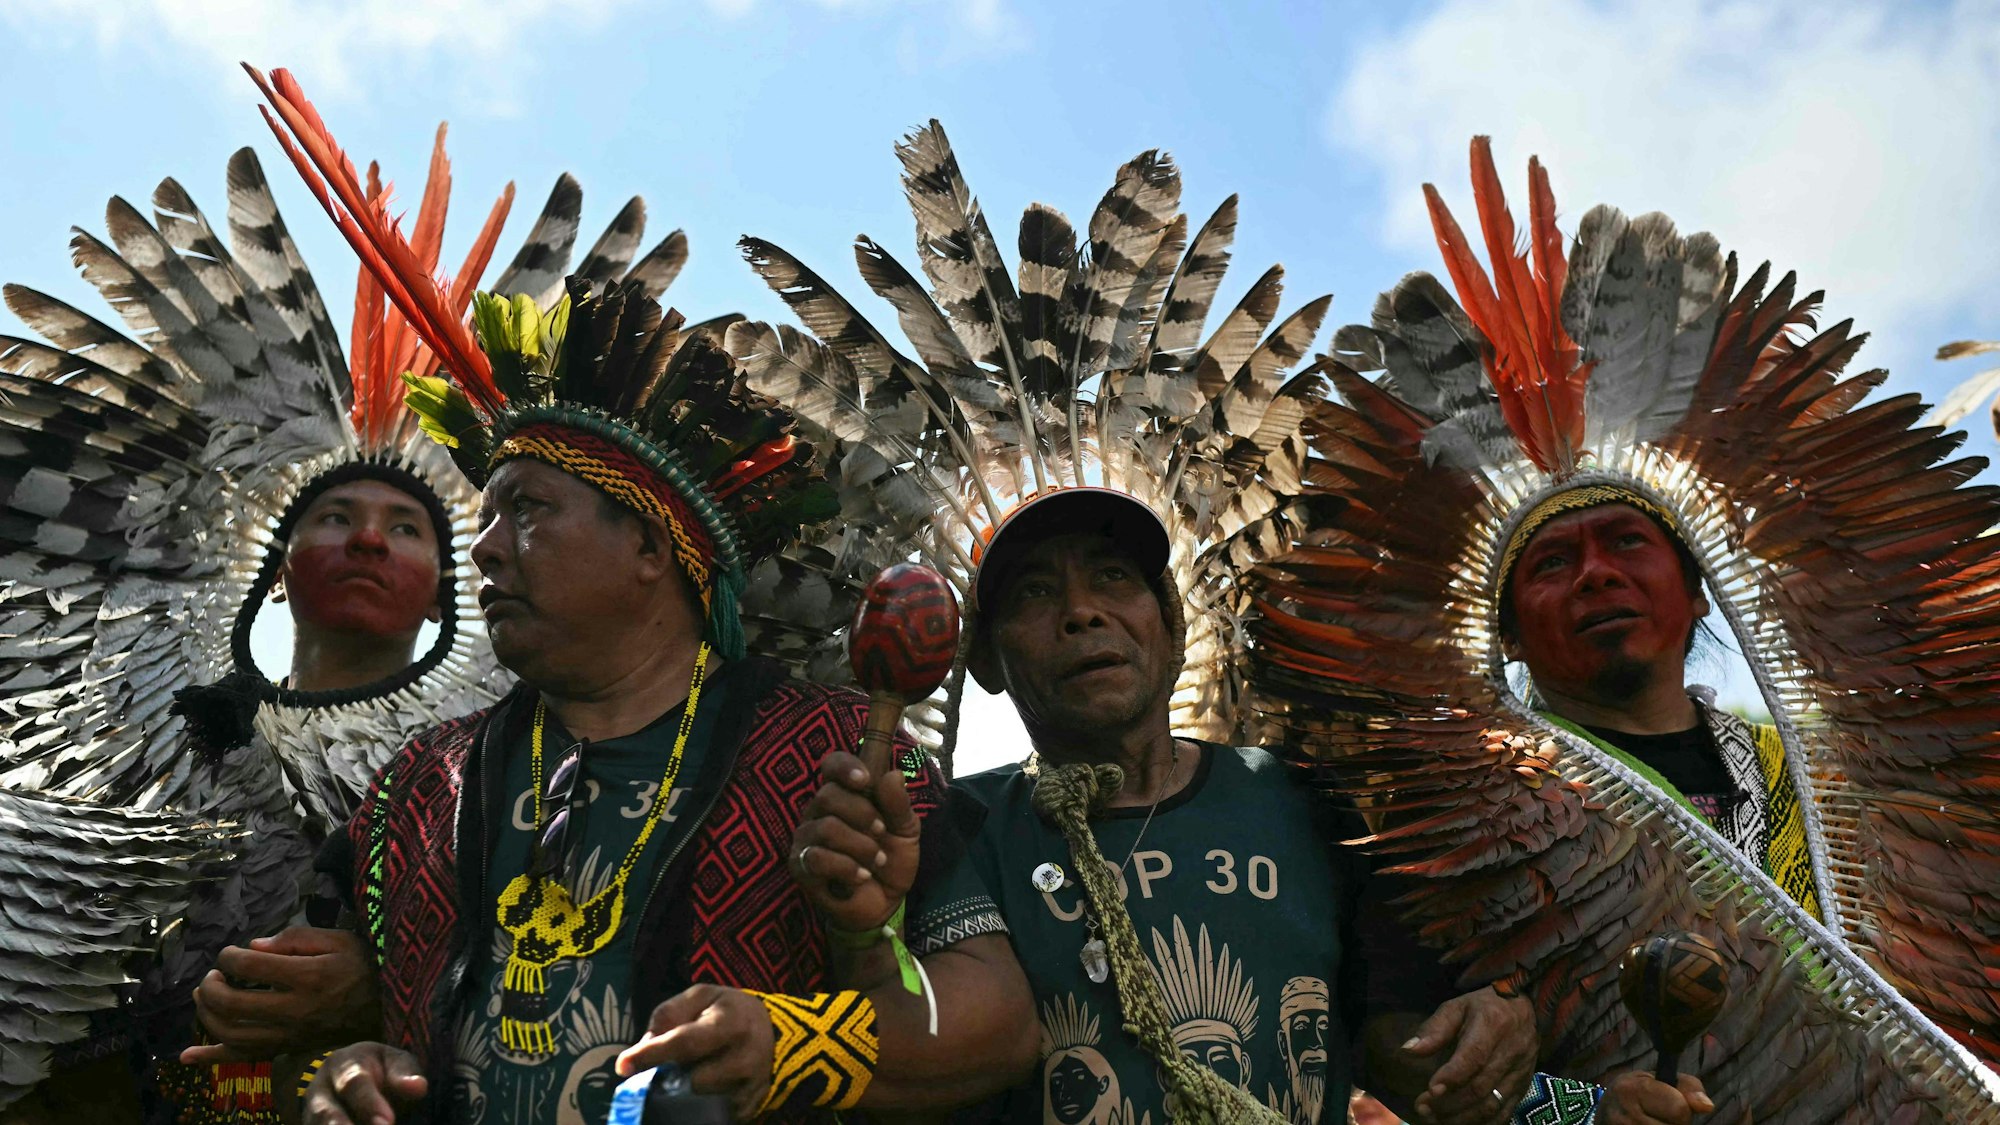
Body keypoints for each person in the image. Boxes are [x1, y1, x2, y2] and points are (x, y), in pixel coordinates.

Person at [255, 59, 1039, 1125]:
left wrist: (802, 1036)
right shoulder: (414, 789)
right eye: (483, 519)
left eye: (524, 510)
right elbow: (331, 1022)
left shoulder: (847, 762)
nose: (482, 552)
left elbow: (995, 1024)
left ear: (651, 547)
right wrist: (337, 1070)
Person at [794, 489, 1704, 1125]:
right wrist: (863, 937)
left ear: (1172, 626)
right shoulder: (957, 823)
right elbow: (943, 1037)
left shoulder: (1308, 803)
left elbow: (1417, 1066)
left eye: (1113, 578)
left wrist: (1567, 1103)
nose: (1081, 613)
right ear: (985, 662)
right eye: (1035, 594)